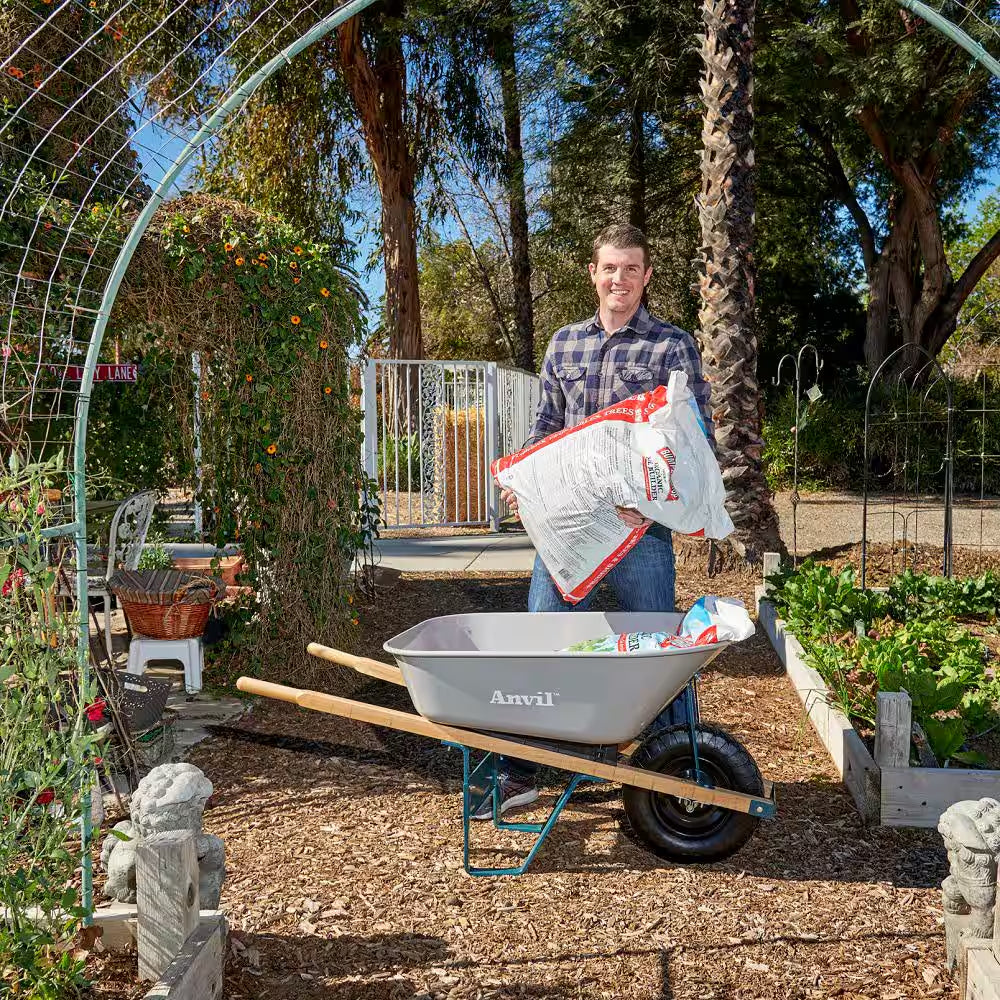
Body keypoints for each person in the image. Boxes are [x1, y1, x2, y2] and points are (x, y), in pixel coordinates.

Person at [473, 222, 715, 820]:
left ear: (647, 276)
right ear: (593, 272)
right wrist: (523, 485)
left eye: (632, 268)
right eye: (610, 267)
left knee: (660, 646)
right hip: (569, 528)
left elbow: (692, 438)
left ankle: (679, 767)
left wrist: (654, 503)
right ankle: (522, 768)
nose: (620, 279)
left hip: (640, 529)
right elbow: (545, 431)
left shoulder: (670, 346)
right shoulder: (564, 344)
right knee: (542, 641)